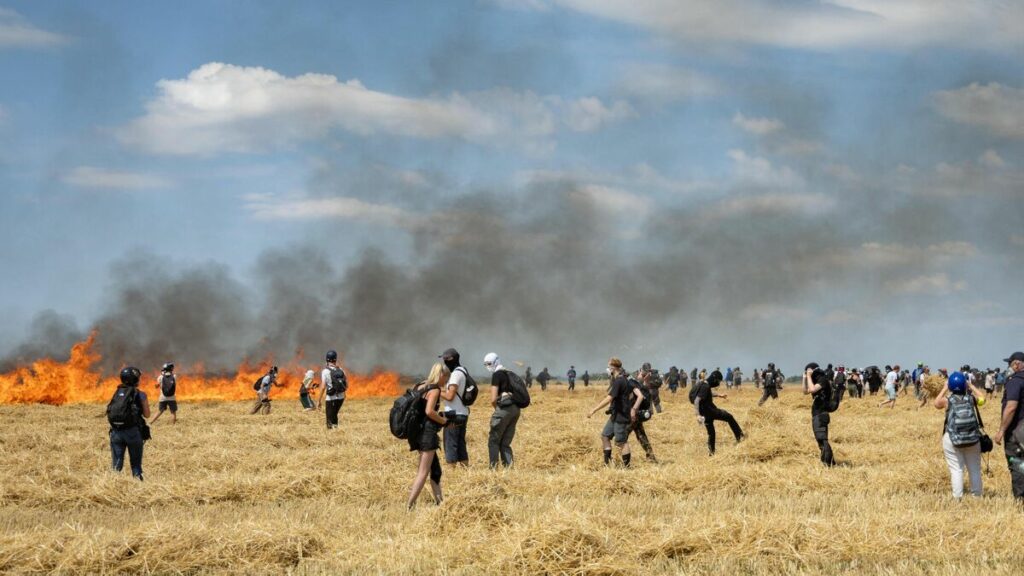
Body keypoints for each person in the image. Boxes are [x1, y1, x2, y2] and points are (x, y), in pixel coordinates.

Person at [934, 371, 985, 498]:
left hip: (953, 439)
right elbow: (983, 399)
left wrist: (945, 388)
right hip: (973, 439)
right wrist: (971, 386)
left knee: (956, 469)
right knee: (974, 469)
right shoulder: (971, 399)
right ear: (964, 385)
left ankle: (958, 498)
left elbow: (936, 403)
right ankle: (977, 496)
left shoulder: (947, 401)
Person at [407, 362, 449, 509]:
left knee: (435, 470)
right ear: (441, 375)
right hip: (427, 434)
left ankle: (440, 503)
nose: (446, 382)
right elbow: (429, 411)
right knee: (423, 472)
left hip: (416, 433)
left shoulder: (420, 385)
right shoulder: (435, 389)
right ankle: (409, 505)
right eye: (446, 378)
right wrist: (444, 420)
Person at [588, 357, 643, 467]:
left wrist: (594, 410)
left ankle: (627, 467)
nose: (607, 369)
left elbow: (609, 398)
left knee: (621, 442)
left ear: (613, 368)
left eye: (608, 367)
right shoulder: (621, 379)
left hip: (621, 416)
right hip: (615, 414)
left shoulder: (619, 381)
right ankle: (607, 463)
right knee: (605, 436)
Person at [107, 366, 151, 480]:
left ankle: (112, 486)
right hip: (133, 433)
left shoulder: (117, 392)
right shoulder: (140, 394)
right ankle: (138, 487)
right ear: (136, 379)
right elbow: (147, 415)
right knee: (136, 465)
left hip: (116, 433)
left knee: (116, 465)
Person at [994, 351, 1024, 501]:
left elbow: (1011, 406)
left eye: (1010, 364)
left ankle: (1020, 501)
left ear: (1017, 364)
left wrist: (1001, 431)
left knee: (1018, 463)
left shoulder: (1014, 380)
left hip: (1018, 430)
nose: (1008, 367)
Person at [692, 369, 743, 456]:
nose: (718, 383)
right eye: (718, 381)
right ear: (714, 379)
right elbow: (697, 400)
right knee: (729, 417)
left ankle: (711, 453)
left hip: (704, 412)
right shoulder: (705, 385)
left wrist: (719, 395)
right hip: (710, 411)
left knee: (711, 433)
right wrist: (697, 415)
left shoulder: (704, 384)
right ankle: (740, 437)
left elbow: (706, 393)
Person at [485, 352, 520, 468]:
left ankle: (493, 469)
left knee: (493, 441)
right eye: (486, 364)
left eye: (489, 363)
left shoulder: (497, 375)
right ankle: (509, 469)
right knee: (505, 443)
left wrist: (497, 411)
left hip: (504, 409)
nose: (488, 366)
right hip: (515, 409)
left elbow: (493, 399)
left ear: (496, 362)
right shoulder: (509, 373)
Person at [439, 348, 470, 468]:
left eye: (445, 359)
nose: (444, 362)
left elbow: (450, 396)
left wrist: (434, 390)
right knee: (461, 444)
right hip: (463, 413)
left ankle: (453, 474)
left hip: (454, 415)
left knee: (450, 444)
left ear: (450, 360)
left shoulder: (455, 374)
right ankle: (465, 471)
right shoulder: (463, 371)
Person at [804, 362, 836, 467]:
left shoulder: (823, 379)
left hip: (821, 414)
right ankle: (828, 462)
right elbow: (805, 391)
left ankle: (828, 463)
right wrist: (805, 378)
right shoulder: (818, 381)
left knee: (822, 439)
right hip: (818, 414)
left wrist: (808, 376)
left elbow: (812, 389)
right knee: (820, 439)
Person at [319, 350, 347, 429]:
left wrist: (319, 400)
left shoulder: (325, 371)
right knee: (334, 416)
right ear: (335, 359)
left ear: (327, 360)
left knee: (330, 420)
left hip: (331, 398)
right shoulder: (341, 370)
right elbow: (346, 385)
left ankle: (331, 435)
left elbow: (323, 387)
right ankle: (336, 432)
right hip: (341, 398)